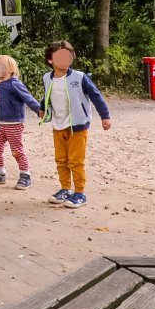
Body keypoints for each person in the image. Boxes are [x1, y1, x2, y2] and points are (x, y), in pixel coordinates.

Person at [40, 41, 112, 209]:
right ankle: (65, 189)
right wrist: (42, 109)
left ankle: (80, 193)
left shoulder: (79, 77)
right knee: (61, 160)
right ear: (50, 60)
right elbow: (46, 96)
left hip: (77, 126)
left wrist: (105, 116)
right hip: (58, 126)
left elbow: (96, 96)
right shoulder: (46, 78)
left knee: (76, 161)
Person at [0, 55, 42, 189]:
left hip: (13, 124)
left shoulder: (15, 84)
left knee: (17, 151)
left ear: (10, 69)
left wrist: (39, 110)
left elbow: (28, 98)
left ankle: (25, 175)